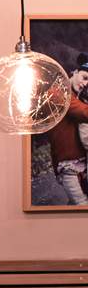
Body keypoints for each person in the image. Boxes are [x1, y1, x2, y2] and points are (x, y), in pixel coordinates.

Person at [48, 53, 88, 205]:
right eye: (85, 77)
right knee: (81, 205)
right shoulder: (58, 92)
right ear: (75, 72)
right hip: (68, 166)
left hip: (82, 164)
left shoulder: (79, 97)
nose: (85, 84)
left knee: (77, 206)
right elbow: (84, 112)